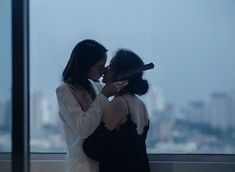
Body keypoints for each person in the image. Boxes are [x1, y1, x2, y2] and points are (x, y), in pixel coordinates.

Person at [56, 39, 128, 172]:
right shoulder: (65, 91)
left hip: (102, 161)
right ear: (85, 67)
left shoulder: (96, 86)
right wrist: (104, 96)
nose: (103, 71)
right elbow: (83, 129)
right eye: (100, 67)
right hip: (81, 166)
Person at [83, 49, 151, 172]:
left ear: (120, 74)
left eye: (111, 65)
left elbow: (92, 149)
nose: (105, 69)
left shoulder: (119, 103)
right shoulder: (141, 105)